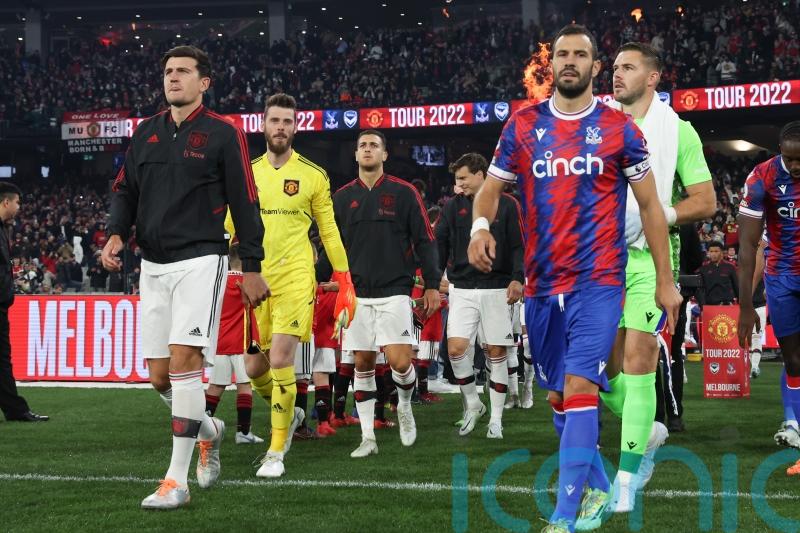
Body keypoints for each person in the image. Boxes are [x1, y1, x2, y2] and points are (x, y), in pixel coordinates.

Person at [468, 25, 681, 533]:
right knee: (561, 397)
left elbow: (651, 207)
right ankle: (603, 488)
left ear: (594, 66)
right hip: (543, 286)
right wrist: (479, 226)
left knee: (582, 384)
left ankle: (564, 516)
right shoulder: (522, 127)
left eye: (579, 55)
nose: (569, 61)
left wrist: (666, 281)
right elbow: (490, 190)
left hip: (599, 280)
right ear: (552, 63)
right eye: (562, 54)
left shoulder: (619, 129)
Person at [102, 45, 270, 510]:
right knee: (160, 377)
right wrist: (116, 233)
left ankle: (176, 481)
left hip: (202, 260)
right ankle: (210, 430)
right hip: (152, 265)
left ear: (204, 82)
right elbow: (124, 191)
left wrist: (251, 266)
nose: (173, 78)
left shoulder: (223, 133)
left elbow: (245, 200)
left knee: (184, 360)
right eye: (168, 71)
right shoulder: (145, 133)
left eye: (183, 72)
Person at [601, 41, 715, 513]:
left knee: (639, 361)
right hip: (598, 260)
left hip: (650, 260)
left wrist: (656, 215)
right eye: (613, 67)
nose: (616, 74)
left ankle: (625, 481)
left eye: (627, 67)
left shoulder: (677, 131)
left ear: (653, 78)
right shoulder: (596, 124)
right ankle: (648, 430)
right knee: (602, 374)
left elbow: (705, 201)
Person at [225, 93, 355, 478]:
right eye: (274, 121)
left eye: (287, 121)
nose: (280, 127)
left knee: (281, 358)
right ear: (263, 125)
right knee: (254, 368)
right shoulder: (248, 173)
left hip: (298, 277)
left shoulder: (313, 175)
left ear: (295, 127)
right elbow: (230, 225)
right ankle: (294, 411)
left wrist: (344, 277)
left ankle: (276, 451)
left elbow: (328, 230)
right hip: (256, 277)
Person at [317, 129, 441, 459]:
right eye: (363, 146)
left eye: (374, 145)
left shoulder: (404, 193)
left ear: (384, 155)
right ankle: (367, 436)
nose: (368, 150)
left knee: (401, 362)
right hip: (356, 294)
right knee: (363, 363)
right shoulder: (341, 198)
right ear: (355, 155)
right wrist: (321, 279)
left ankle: (403, 404)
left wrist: (431, 283)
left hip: (395, 291)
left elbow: (426, 241)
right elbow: (331, 245)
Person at [436, 152, 524, 439]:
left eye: (462, 179)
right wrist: (436, 277)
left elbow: (518, 246)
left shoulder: (508, 205)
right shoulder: (452, 207)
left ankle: (496, 419)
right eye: (456, 180)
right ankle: (474, 404)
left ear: (480, 174)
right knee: (456, 349)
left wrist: (517, 279)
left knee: (496, 352)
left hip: (497, 287)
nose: (458, 186)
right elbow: (441, 243)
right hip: (461, 288)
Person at [738, 120, 800, 478]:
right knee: (793, 360)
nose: (795, 166)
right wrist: (746, 305)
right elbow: (747, 245)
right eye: (789, 159)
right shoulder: (762, 177)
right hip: (782, 278)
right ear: (780, 152)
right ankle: (795, 427)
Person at [204, 243, 264, 445]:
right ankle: (243, 433)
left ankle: (200, 428)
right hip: (241, 341)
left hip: (220, 342)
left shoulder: (217, 281)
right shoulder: (247, 282)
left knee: (215, 387)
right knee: (244, 385)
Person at [0, 183, 48, 423]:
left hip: (1, 304)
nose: (19, 207)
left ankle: (14, 408)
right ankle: (15, 409)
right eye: (17, 202)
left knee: (2, 359)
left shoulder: (4, 229)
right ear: (6, 202)